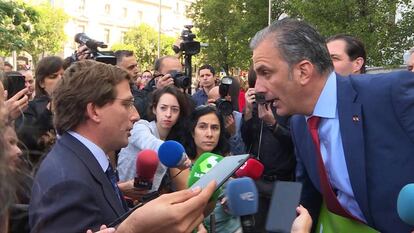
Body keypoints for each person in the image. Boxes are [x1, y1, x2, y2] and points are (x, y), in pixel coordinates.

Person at [250, 18, 414, 232]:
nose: (257, 88)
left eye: (265, 73)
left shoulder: (390, 93)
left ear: (303, 71)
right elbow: (305, 191)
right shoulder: (299, 122)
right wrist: (279, 226)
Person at [241, 68, 295, 233]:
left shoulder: (289, 103)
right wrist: (248, 112)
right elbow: (247, 139)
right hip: (257, 181)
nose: (261, 88)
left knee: (281, 229)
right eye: (256, 83)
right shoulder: (257, 104)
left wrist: (273, 124)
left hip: (286, 184)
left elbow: (295, 143)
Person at [117, 85, 191, 199]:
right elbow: (151, 144)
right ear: (154, 109)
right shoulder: (140, 127)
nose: (168, 114)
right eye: (163, 108)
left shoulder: (170, 140)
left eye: (175, 109)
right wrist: (178, 158)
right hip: (122, 200)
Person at [183, 105, 241, 233]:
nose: (209, 134)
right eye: (202, 127)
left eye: (215, 128)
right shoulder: (181, 165)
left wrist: (233, 198)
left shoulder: (227, 160)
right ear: (193, 131)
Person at [15, 56, 64, 167]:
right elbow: (26, 141)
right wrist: (48, 112)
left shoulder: (75, 105)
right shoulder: (28, 107)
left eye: (64, 75)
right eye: (54, 76)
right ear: (42, 83)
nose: (61, 79)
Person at [207, 86, 246, 155]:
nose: (222, 105)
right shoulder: (205, 119)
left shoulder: (238, 119)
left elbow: (241, 154)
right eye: (217, 102)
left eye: (223, 101)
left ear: (229, 99)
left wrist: (233, 134)